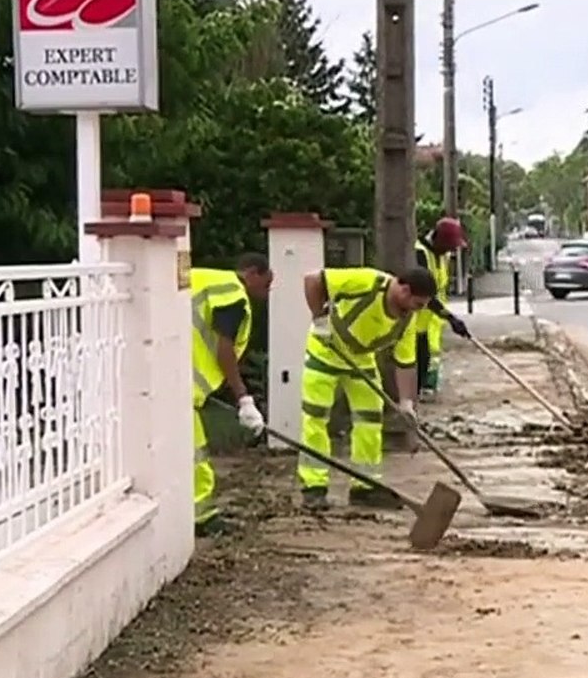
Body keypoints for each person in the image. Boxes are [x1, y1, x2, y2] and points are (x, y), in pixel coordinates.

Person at [297, 266, 470, 511]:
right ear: (404, 289)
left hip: (360, 358)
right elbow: (312, 279)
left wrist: (407, 403)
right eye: (418, 303)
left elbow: (405, 362)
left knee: (369, 420)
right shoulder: (367, 282)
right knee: (316, 419)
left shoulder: (407, 318)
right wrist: (320, 319)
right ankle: (313, 487)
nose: (418, 310)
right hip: (325, 352)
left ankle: (364, 485)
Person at [190, 253, 274, 536]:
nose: (266, 294)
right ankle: (202, 517)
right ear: (251, 273)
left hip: (169, 372)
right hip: (180, 380)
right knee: (194, 451)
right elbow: (223, 349)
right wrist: (244, 399)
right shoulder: (233, 295)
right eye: (265, 284)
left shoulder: (206, 278)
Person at [414, 217, 468, 401]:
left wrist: (448, 318)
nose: (452, 250)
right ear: (437, 240)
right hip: (412, 323)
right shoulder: (419, 254)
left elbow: (440, 290)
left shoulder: (443, 255)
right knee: (414, 369)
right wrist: (451, 318)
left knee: (427, 362)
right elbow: (425, 295)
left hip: (430, 322)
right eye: (449, 246)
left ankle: (421, 397)